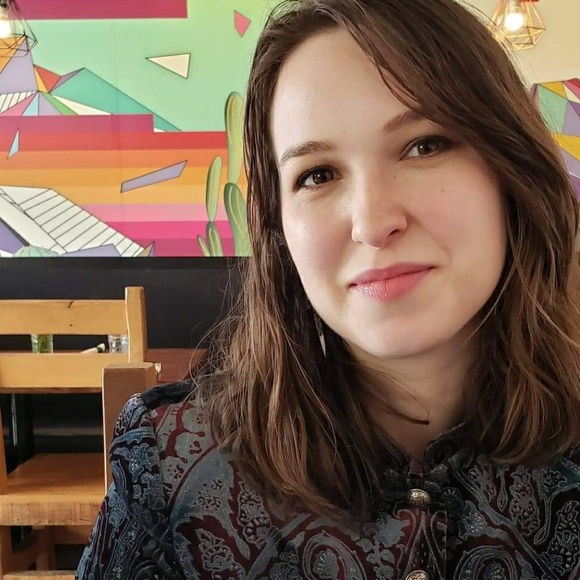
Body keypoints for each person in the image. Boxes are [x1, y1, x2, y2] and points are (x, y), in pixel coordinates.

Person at [76, 0, 580, 578]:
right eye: (317, 174)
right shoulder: (169, 463)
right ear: (279, 227)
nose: (372, 222)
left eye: (424, 145)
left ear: (510, 167)